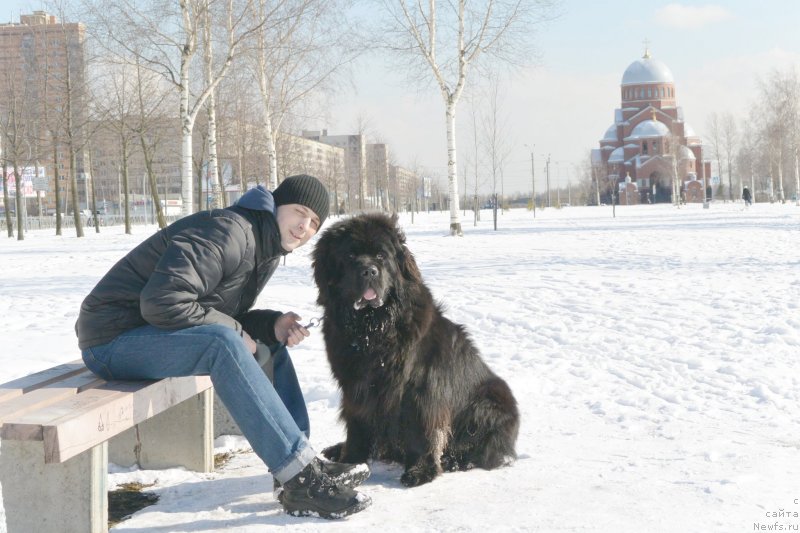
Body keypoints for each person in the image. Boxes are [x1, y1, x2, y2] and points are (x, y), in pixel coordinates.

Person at [75, 174, 371, 519]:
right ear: (276, 205)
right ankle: (302, 478)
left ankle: (299, 462)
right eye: (299, 211)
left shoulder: (262, 245)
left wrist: (271, 325)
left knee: (264, 342)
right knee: (222, 342)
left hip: (151, 335)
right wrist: (234, 330)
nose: (305, 226)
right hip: (112, 340)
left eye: (314, 222)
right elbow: (162, 302)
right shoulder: (230, 231)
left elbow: (218, 312)